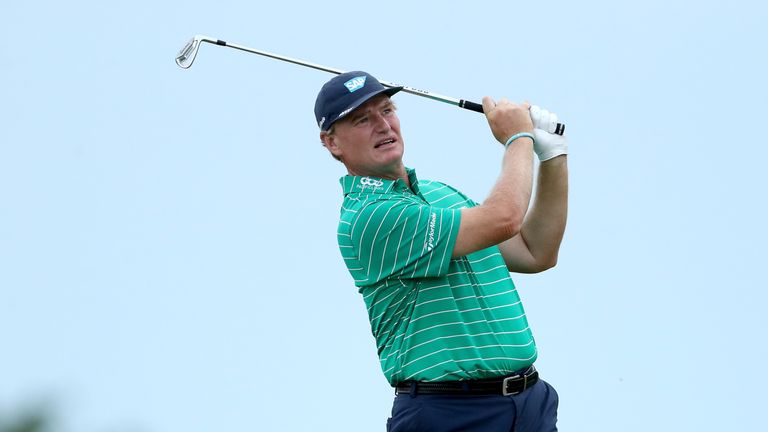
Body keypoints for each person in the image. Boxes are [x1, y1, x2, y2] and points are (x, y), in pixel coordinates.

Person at [315, 71, 568, 432]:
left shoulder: (439, 195)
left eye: (387, 110)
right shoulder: (368, 217)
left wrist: (554, 155)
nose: (382, 125)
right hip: (449, 413)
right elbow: (505, 217)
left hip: (529, 404)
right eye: (362, 119)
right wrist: (518, 138)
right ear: (332, 143)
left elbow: (535, 251)